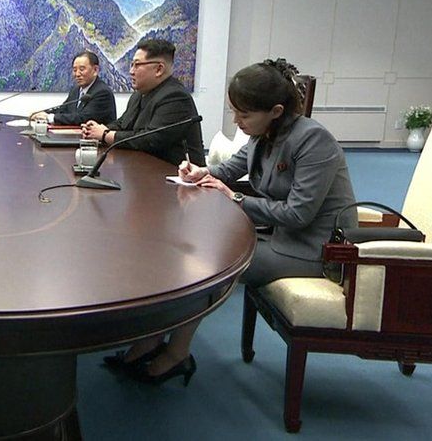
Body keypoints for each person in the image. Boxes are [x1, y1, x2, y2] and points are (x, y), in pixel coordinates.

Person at [104, 58, 358, 386]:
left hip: (316, 250)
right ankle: (153, 341)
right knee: (183, 254)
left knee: (205, 267)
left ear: (277, 110)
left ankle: (174, 352)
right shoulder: (264, 133)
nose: (237, 122)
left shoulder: (313, 140)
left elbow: (298, 214)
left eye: (244, 114)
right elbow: (229, 169)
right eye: (235, 111)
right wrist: (200, 172)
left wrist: (235, 198)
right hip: (278, 237)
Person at [82, 39, 204, 166]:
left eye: (137, 65)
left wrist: (106, 135)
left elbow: (150, 140)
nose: (131, 71)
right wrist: (97, 129)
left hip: (176, 175)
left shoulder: (175, 97)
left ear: (159, 69)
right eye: (132, 65)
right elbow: (123, 123)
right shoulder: (139, 94)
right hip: (144, 169)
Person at [30, 51, 116, 125]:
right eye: (75, 70)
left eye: (82, 69)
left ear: (95, 70)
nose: (77, 74)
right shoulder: (76, 89)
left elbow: (83, 118)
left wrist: (50, 118)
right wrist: (43, 114)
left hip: (97, 143)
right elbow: (63, 110)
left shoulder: (102, 92)